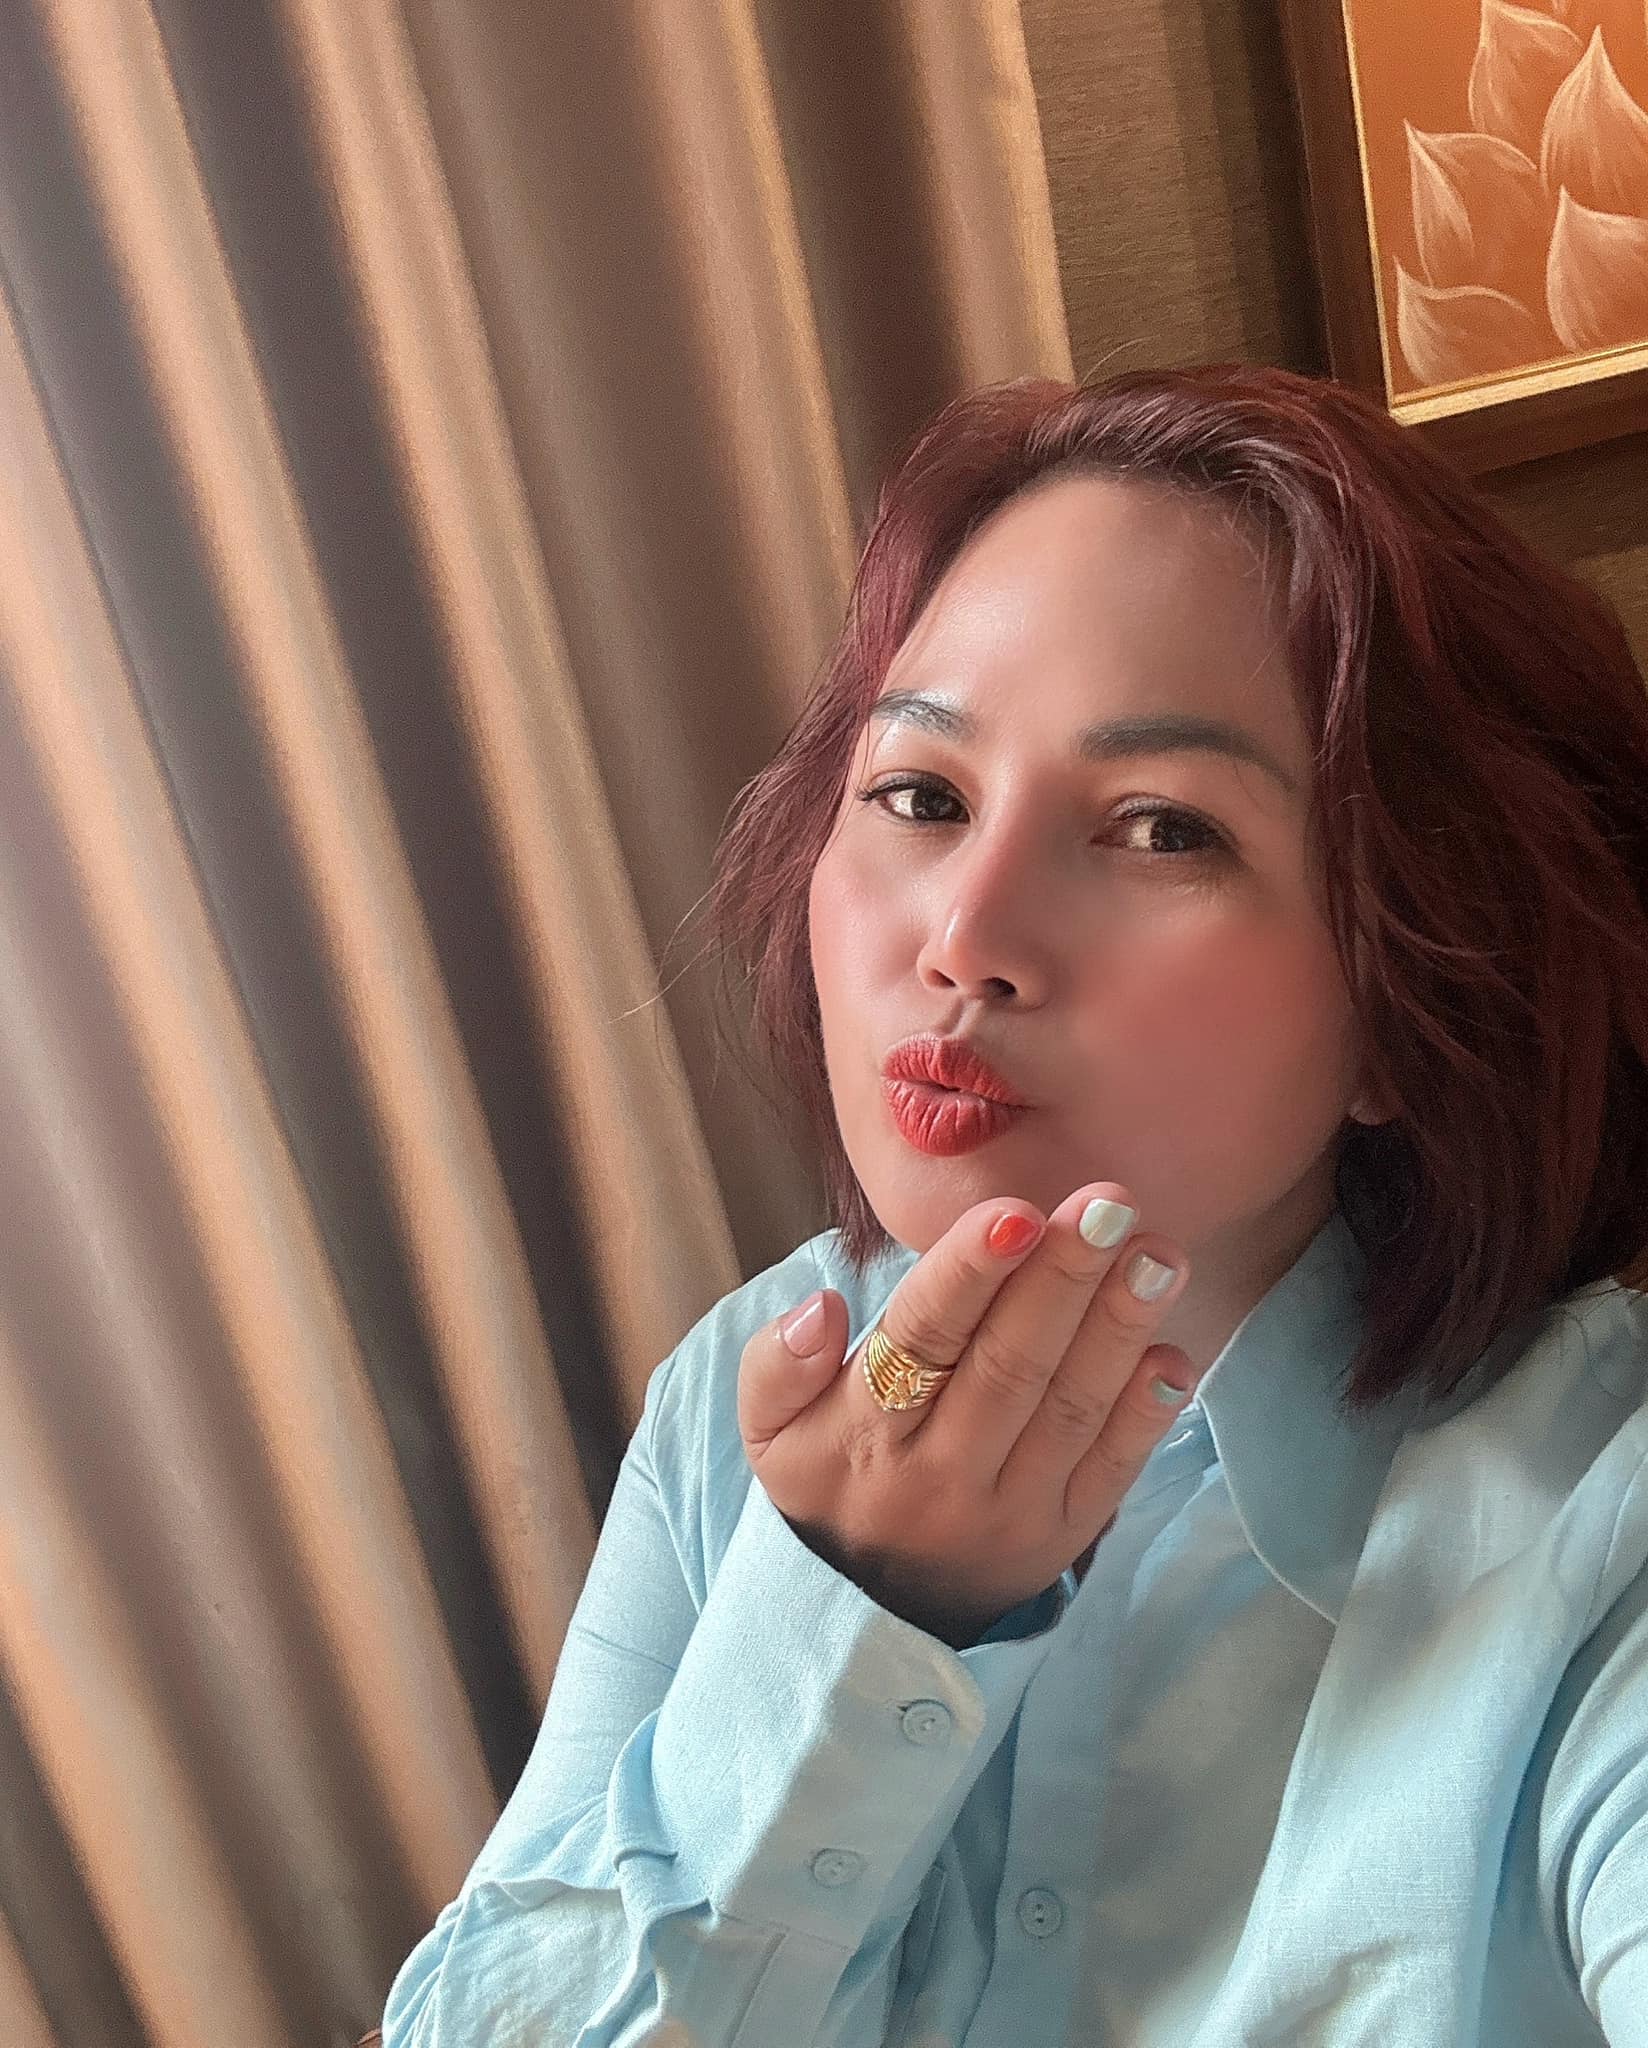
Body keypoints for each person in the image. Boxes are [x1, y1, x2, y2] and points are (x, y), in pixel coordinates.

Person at [378, 364, 1648, 2046]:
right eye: (921, 795)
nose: (965, 935)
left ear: (1412, 999)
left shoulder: (1599, 1521)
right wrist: (847, 1609)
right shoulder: (742, 1397)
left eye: (1161, 830)